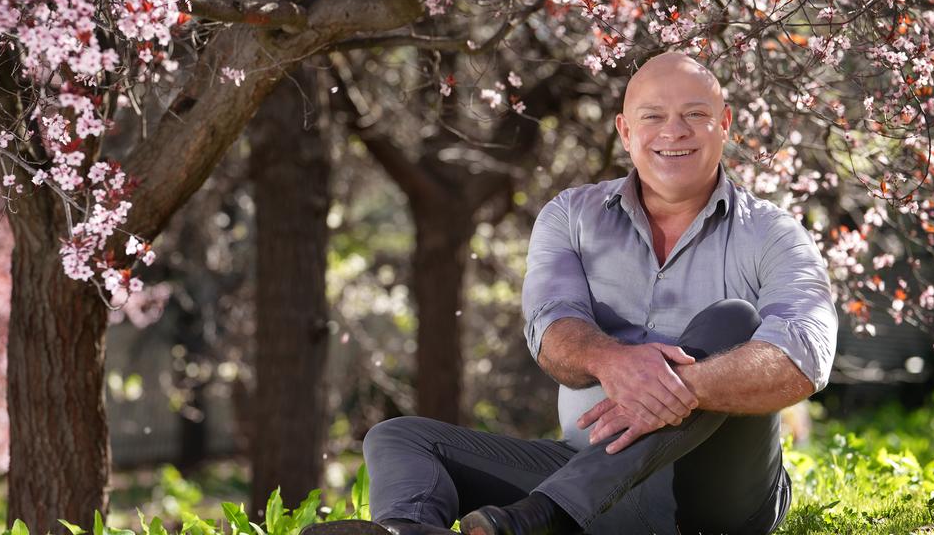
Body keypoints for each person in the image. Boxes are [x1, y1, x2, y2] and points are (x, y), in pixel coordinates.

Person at [353, 54, 839, 535]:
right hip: (588, 475)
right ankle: (407, 531)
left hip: (717, 499)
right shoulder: (570, 217)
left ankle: (543, 518)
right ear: (625, 131)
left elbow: (803, 356)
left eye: (695, 114)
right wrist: (615, 363)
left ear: (725, 124)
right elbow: (551, 327)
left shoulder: (773, 234)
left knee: (733, 320)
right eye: (653, 117)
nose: (674, 131)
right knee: (399, 437)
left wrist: (672, 389)